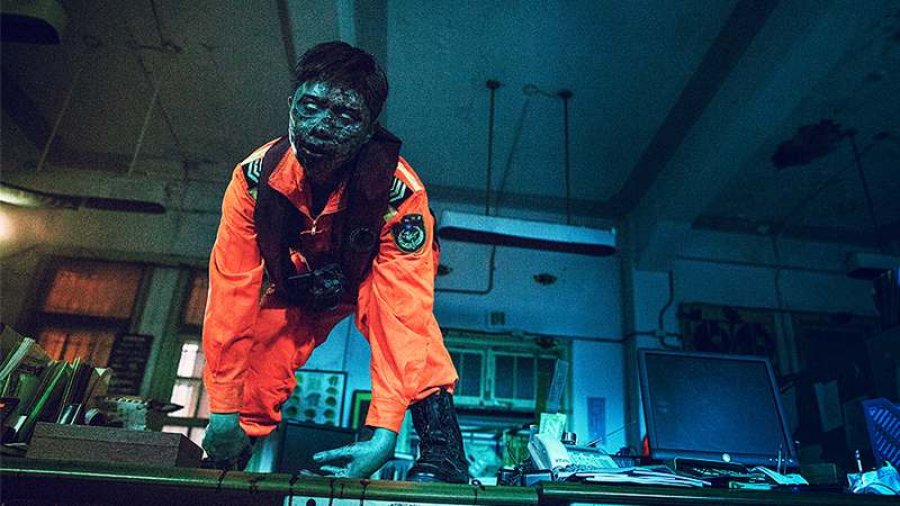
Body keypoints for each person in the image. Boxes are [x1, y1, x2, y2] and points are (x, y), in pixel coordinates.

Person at [199, 41, 469, 483]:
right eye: (310, 107)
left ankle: (444, 451)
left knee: (414, 335)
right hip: (302, 282)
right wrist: (224, 411)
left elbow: (402, 315)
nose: (321, 127)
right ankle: (227, 459)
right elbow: (231, 291)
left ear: (368, 130)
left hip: (373, 275)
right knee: (264, 352)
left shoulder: (400, 194)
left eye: (344, 116)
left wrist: (384, 432)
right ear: (290, 105)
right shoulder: (253, 182)